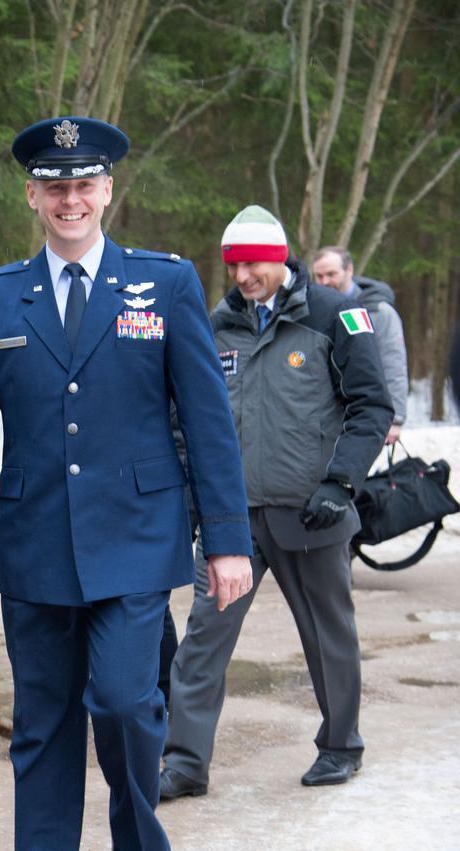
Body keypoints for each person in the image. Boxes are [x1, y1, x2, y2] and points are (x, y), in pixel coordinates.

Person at [0, 117, 254, 850]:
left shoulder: (163, 283)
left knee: (123, 701)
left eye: (82, 185)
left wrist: (226, 537)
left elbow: (206, 421)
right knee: (41, 720)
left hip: (135, 538)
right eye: (54, 187)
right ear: (31, 196)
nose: (68, 199)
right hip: (36, 539)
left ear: (105, 191)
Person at [161, 206, 392, 801]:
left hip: (312, 510)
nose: (243, 277)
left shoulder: (335, 316)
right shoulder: (215, 325)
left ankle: (341, 746)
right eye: (233, 265)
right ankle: (184, 761)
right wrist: (192, 497)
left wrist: (338, 484)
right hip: (231, 518)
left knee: (327, 635)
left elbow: (372, 408)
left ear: (282, 256)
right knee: (203, 639)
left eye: (254, 263)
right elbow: (186, 417)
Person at [311, 246, 408, 443]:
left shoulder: (378, 312)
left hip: (364, 416)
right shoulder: (312, 312)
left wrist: (395, 419)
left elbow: (394, 364)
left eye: (331, 274)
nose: (325, 282)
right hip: (321, 420)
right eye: (319, 276)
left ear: (349, 270)